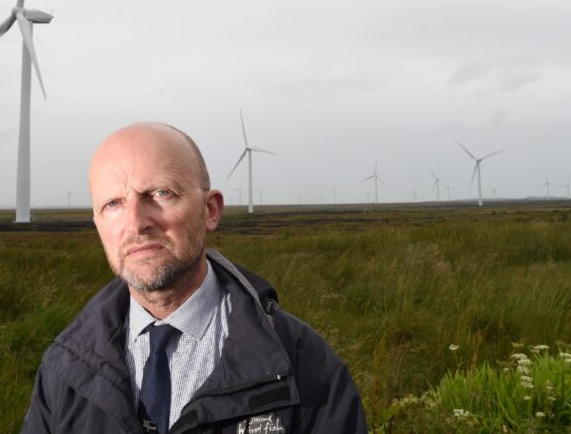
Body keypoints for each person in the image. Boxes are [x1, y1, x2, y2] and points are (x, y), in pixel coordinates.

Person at [22, 123, 368, 433]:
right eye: (113, 204)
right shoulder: (64, 369)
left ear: (210, 210)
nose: (137, 222)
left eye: (160, 193)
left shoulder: (304, 365)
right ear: (98, 224)